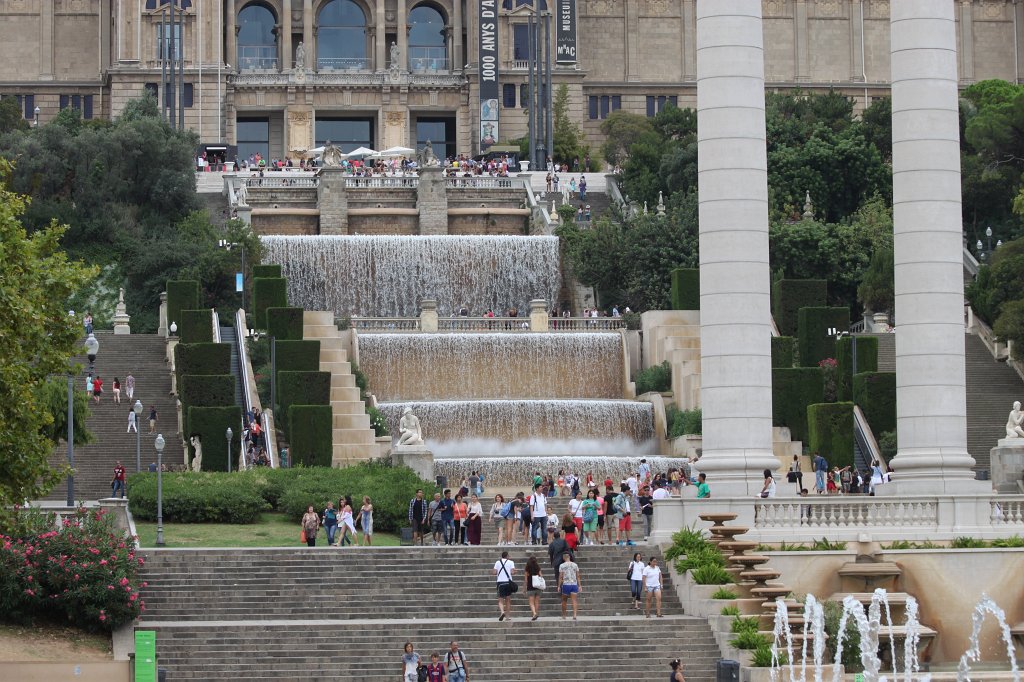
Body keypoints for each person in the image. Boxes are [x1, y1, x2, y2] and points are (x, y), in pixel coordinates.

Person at [557, 551, 581, 620]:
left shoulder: (562, 565)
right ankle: (575, 615)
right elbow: (578, 576)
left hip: (566, 584)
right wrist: (579, 585)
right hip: (574, 584)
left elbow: (560, 577)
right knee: (574, 600)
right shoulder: (575, 565)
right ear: (569, 557)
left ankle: (564, 615)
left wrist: (559, 586)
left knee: (564, 600)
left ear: (563, 557)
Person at [494, 550, 516, 621]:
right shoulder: (511, 562)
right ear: (507, 556)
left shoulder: (497, 562)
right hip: (508, 583)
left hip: (500, 582)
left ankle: (502, 612)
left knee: (500, 600)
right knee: (508, 600)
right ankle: (507, 616)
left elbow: (494, 572)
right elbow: (512, 572)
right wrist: (515, 571)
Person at [524, 555, 543, 621]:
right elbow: (541, 576)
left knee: (531, 602)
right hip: (538, 586)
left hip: (530, 586)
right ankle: (536, 613)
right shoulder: (538, 567)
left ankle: (534, 613)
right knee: (537, 602)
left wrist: (524, 588)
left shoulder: (527, 568)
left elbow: (526, 579)